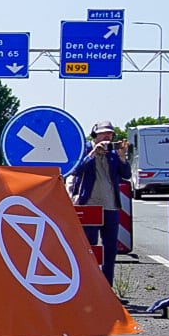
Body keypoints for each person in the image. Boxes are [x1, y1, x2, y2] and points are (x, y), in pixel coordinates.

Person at [67, 120, 130, 291]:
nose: (107, 136)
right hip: (89, 205)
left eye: (109, 133)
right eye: (103, 133)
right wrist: (93, 153)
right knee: (90, 247)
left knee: (110, 249)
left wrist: (123, 156)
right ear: (95, 134)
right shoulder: (85, 149)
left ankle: (107, 288)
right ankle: (89, 287)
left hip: (110, 206)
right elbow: (75, 170)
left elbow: (126, 175)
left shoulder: (113, 154)